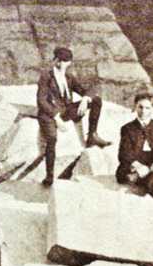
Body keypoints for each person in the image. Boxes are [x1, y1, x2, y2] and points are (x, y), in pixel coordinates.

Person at [37, 46, 111, 186]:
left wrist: (85, 98)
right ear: (56, 61)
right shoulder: (46, 76)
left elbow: (86, 90)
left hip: (66, 110)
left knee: (96, 100)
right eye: (63, 62)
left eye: (67, 62)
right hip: (49, 114)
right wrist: (56, 118)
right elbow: (41, 101)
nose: (65, 65)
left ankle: (92, 136)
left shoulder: (68, 77)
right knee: (52, 139)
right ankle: (49, 176)